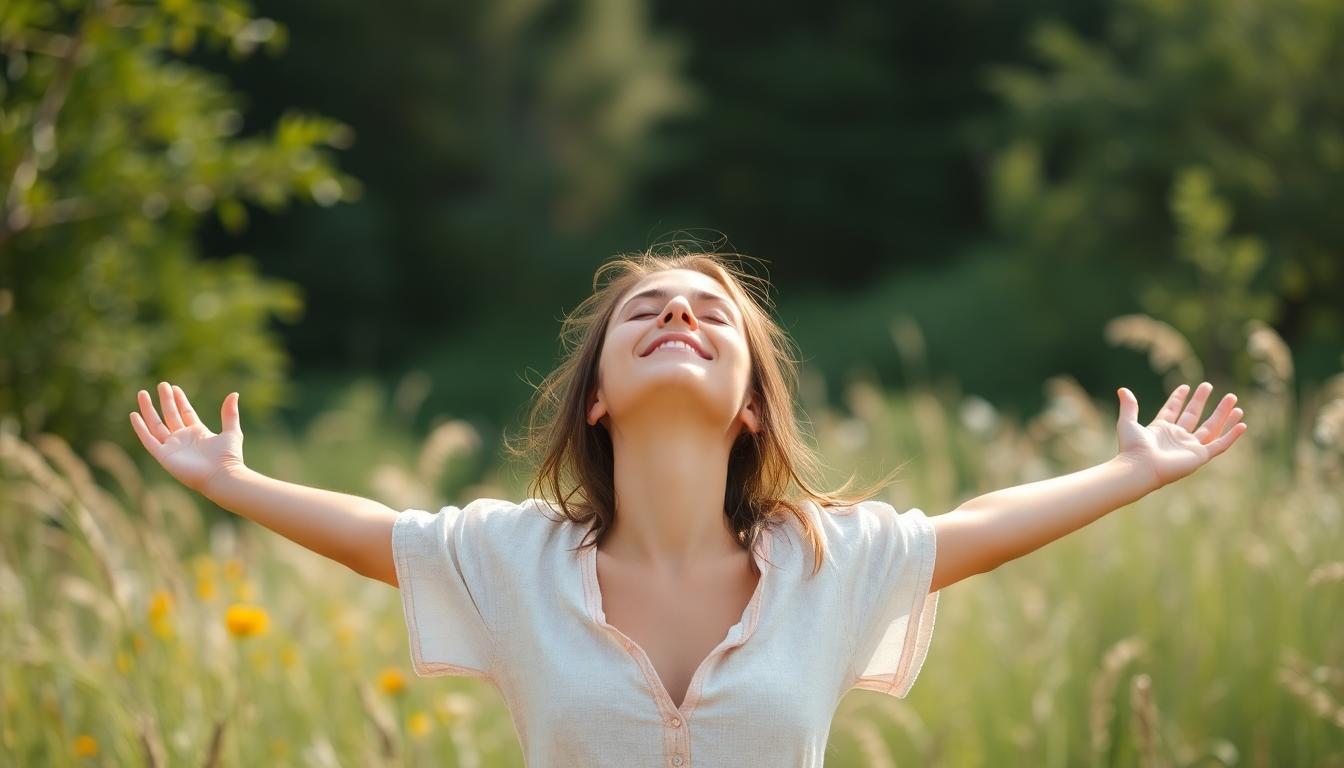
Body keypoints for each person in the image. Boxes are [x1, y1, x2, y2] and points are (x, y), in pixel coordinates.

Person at [129, 245, 1248, 767]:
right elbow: (382, 537)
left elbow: (975, 524)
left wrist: (1131, 472)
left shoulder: (828, 562)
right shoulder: (511, 558)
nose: (679, 316)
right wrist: (230, 482)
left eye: (711, 315)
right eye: (645, 312)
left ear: (752, 407)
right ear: (600, 399)